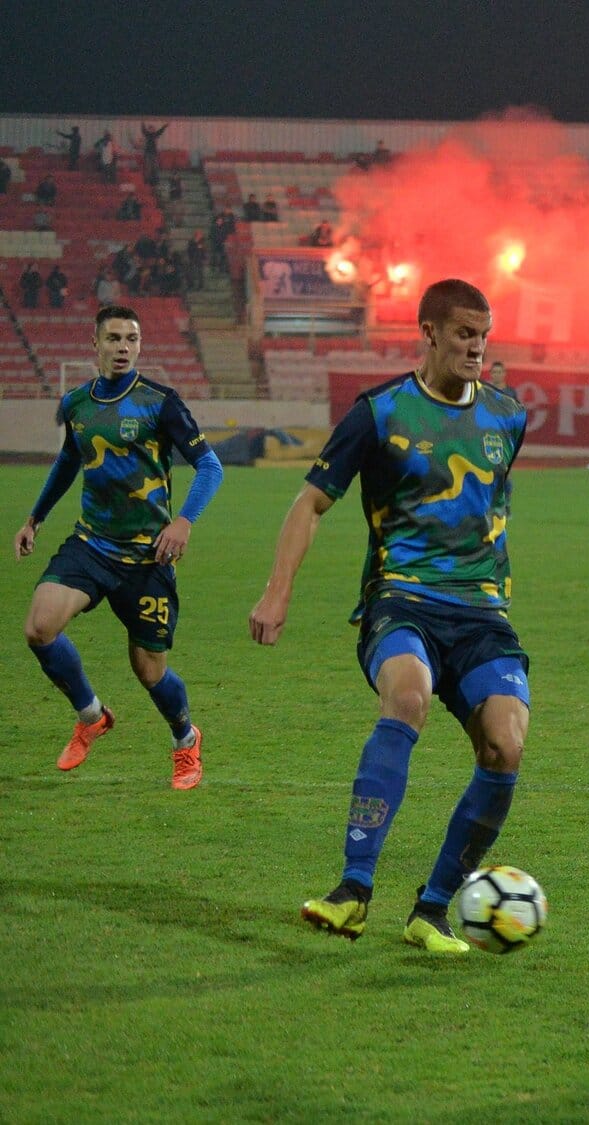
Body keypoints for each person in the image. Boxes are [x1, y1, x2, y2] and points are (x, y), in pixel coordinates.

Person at [249, 278, 531, 955]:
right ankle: (353, 890)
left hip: (482, 611)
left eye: (484, 334)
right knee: (407, 698)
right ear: (428, 332)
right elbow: (309, 504)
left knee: (506, 744)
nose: (477, 346)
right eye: (464, 333)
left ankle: (432, 910)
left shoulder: (508, 416)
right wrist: (277, 590)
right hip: (400, 599)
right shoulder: (380, 412)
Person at [15, 305, 224, 789]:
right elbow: (69, 461)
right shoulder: (75, 405)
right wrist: (35, 518)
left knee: (149, 671)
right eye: (113, 339)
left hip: (147, 556)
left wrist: (184, 523)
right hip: (91, 544)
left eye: (132, 338)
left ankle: (184, 738)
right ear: (95, 345)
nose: (123, 347)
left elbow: (210, 467)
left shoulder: (160, 402)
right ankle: (91, 715)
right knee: (38, 628)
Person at [139, 122, 168, 187]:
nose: (151, 130)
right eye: (150, 129)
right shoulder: (147, 134)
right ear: (149, 129)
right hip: (148, 153)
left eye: (152, 129)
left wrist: (165, 126)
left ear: (154, 130)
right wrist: (142, 123)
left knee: (155, 167)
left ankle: (155, 180)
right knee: (148, 167)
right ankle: (147, 180)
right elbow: (143, 130)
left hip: (154, 153)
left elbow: (160, 131)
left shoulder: (155, 134)